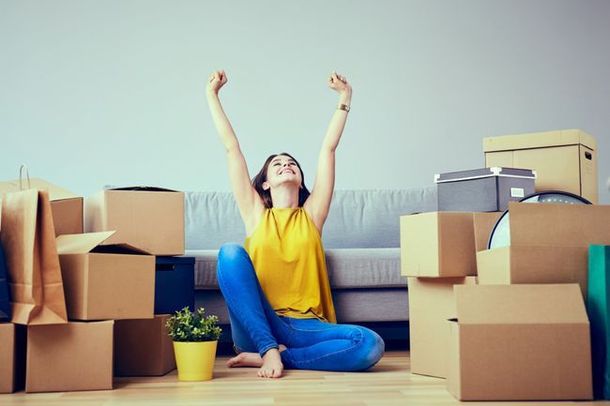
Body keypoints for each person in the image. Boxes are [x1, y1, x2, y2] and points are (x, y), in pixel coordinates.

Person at [206, 70, 385, 379]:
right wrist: (212, 95)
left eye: (291, 163)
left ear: (301, 179)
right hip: (260, 322)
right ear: (264, 184)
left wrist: (345, 98)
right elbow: (231, 148)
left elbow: (328, 149)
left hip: (307, 327)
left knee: (369, 344)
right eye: (277, 164)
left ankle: (277, 357)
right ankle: (268, 349)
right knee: (230, 253)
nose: (286, 165)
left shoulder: (312, 215)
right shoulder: (255, 214)